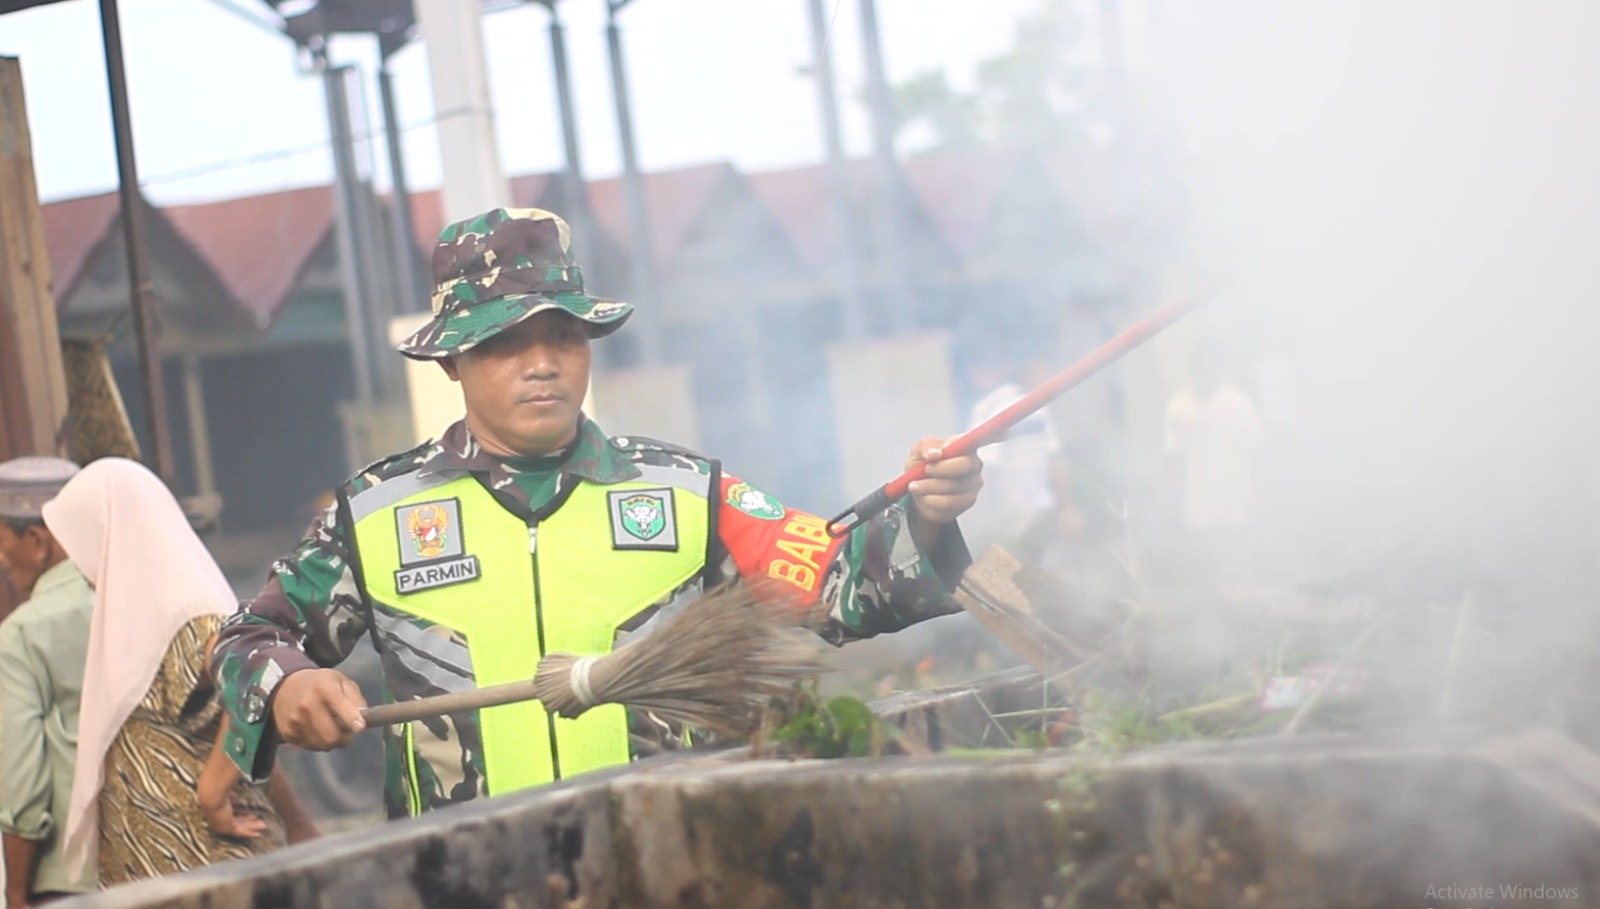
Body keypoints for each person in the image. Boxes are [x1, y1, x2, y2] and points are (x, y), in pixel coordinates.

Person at [211, 207, 985, 819]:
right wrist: (284, 683)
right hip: (459, 877)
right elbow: (250, 633)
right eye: (506, 341)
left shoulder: (689, 494)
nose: (542, 360)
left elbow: (842, 579)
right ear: (451, 359)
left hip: (670, 861)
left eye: (563, 334)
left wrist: (927, 515)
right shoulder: (374, 514)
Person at [40, 458, 317, 888]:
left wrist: (212, 792)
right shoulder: (143, 618)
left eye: (82, 543)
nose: (80, 564)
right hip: (172, 872)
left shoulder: (189, 615)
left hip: (205, 865)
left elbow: (255, 681)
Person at [0, 457, 97, 907]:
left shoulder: (22, 634)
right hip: (167, 856)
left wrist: (16, 892)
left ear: (37, 540)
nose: (1, 560)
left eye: (1, 542)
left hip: (71, 878)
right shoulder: (137, 601)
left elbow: (23, 785)